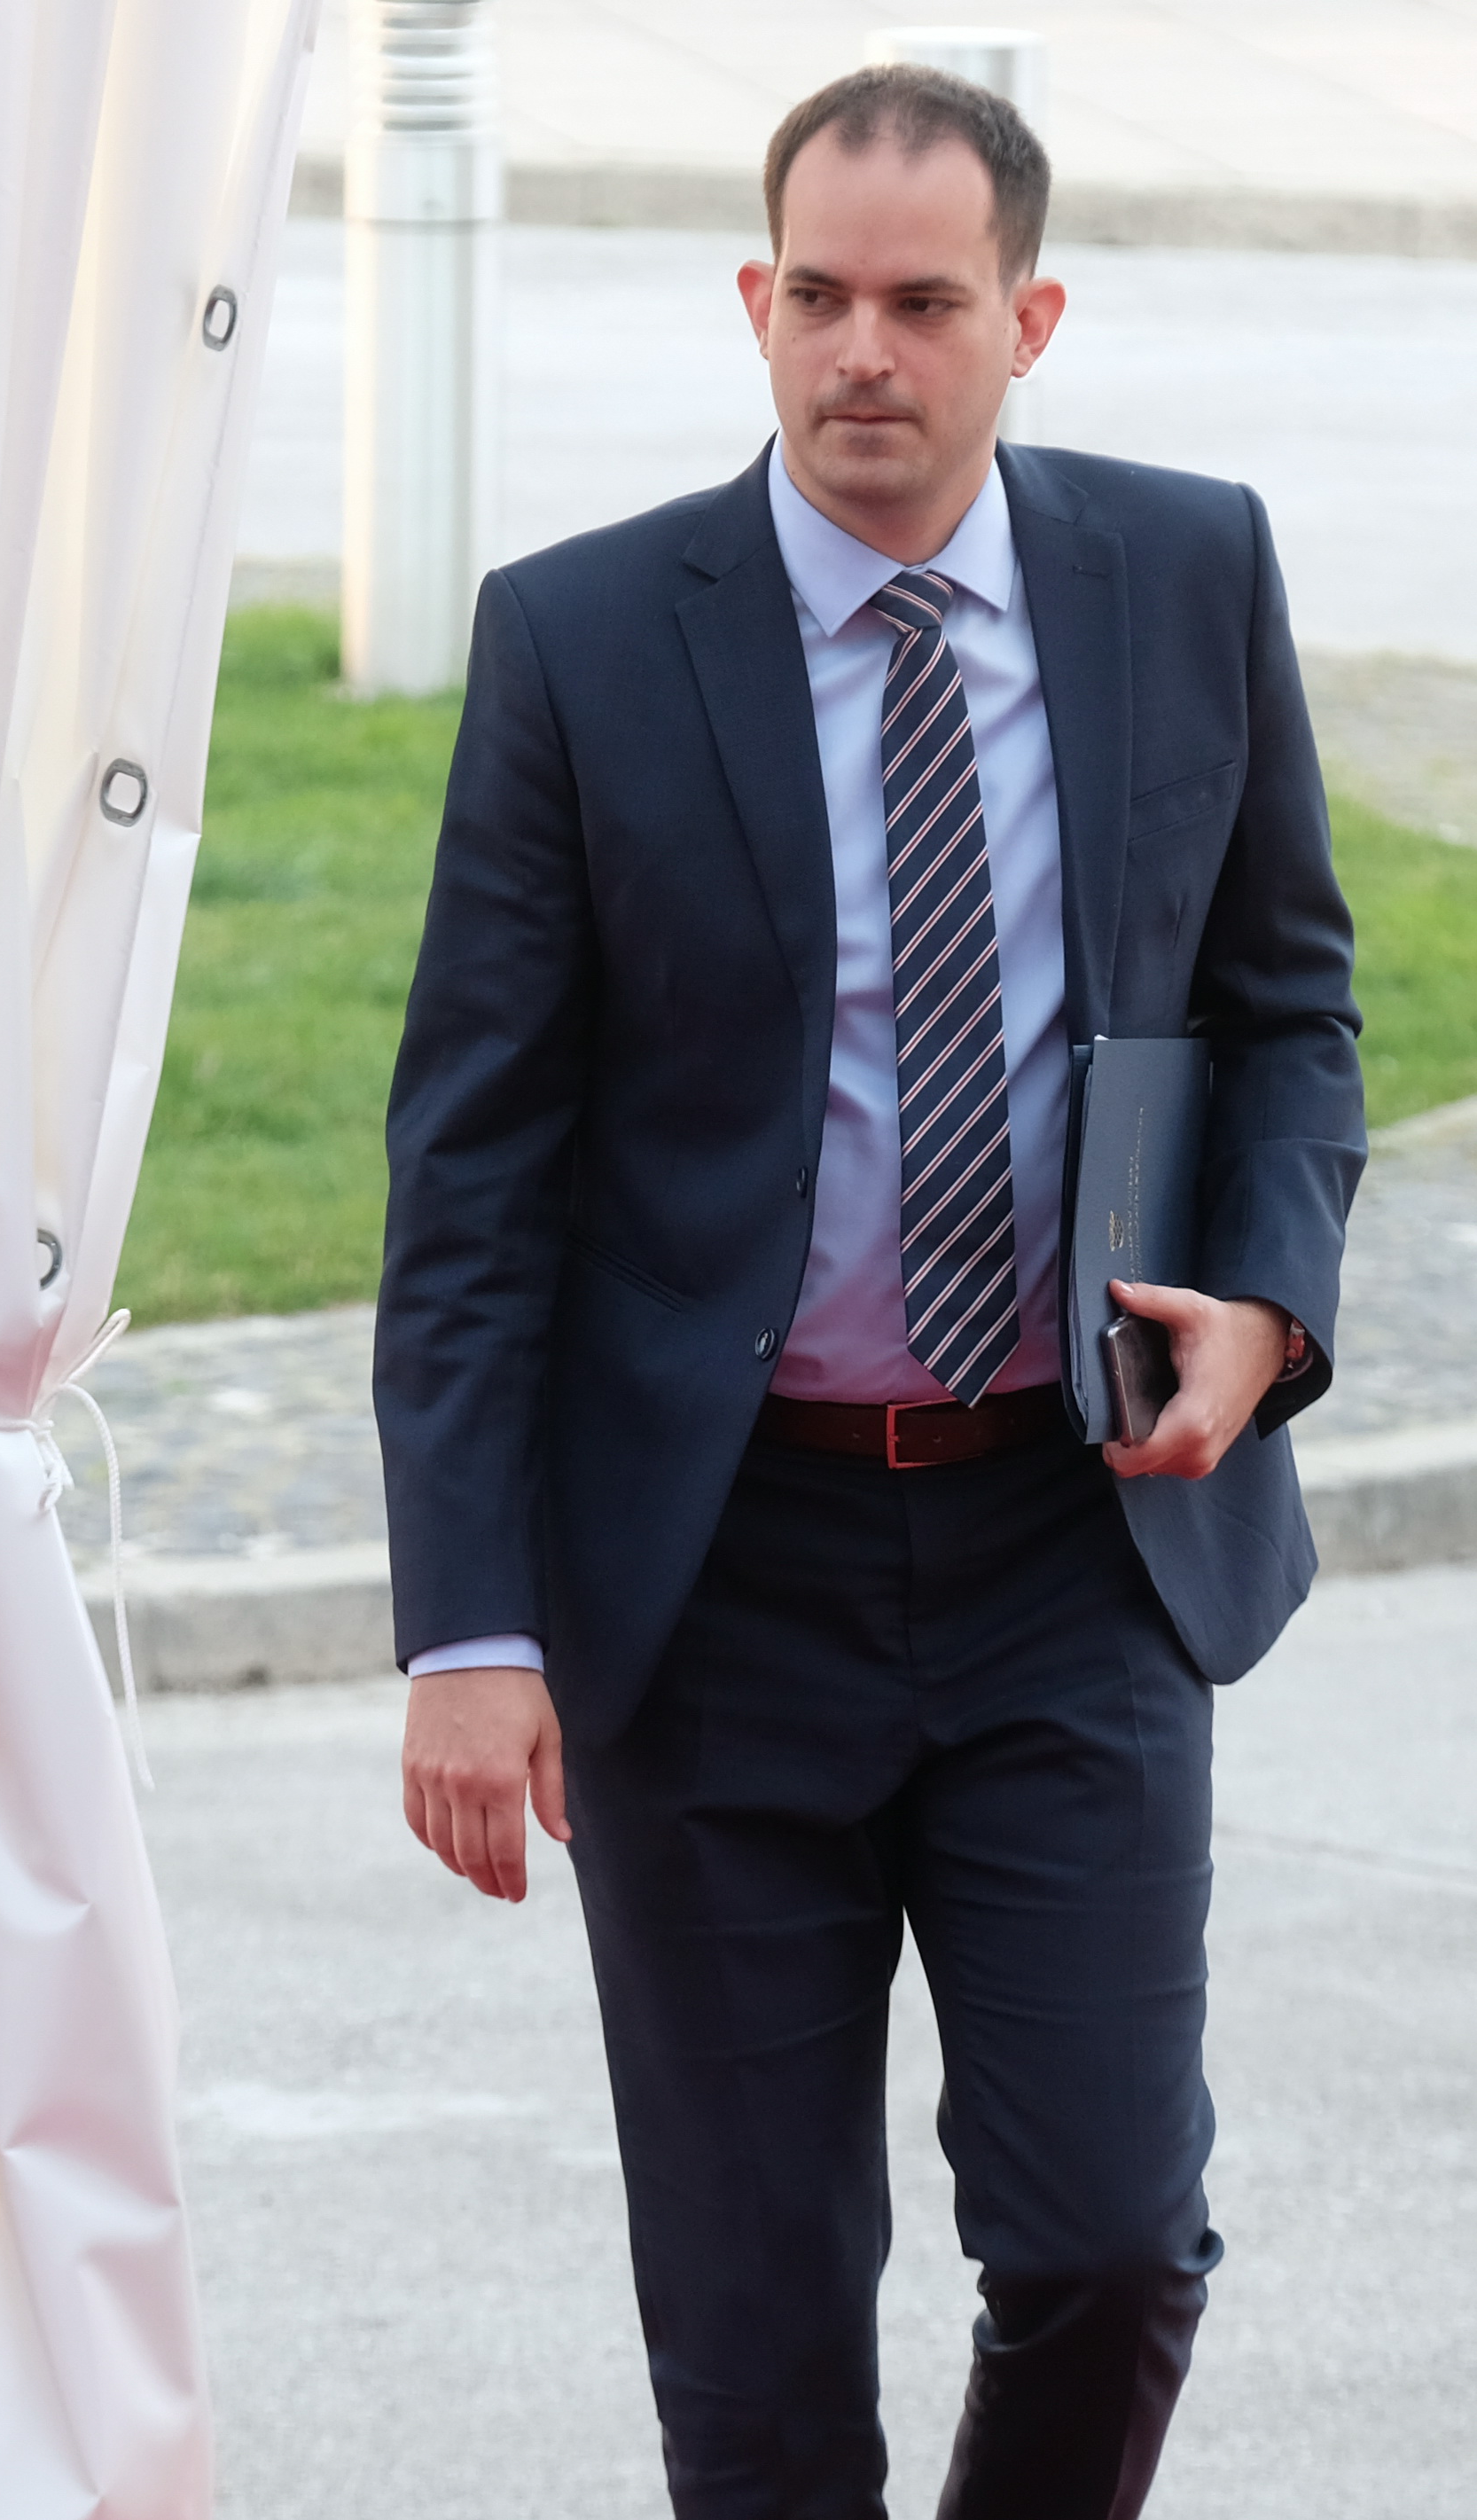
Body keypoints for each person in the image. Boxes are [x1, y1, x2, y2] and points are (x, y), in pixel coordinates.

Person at [377, 64, 1362, 2520]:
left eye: (923, 303)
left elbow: (1288, 1008)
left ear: (1029, 319)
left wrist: (1263, 1298)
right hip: (716, 1580)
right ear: (753, 297)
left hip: (1069, 1537)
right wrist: (467, 1625)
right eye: (813, 295)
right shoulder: (584, 640)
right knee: (757, 2343)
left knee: (1112, 2238)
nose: (859, 353)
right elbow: (471, 1166)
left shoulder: (1184, 574)